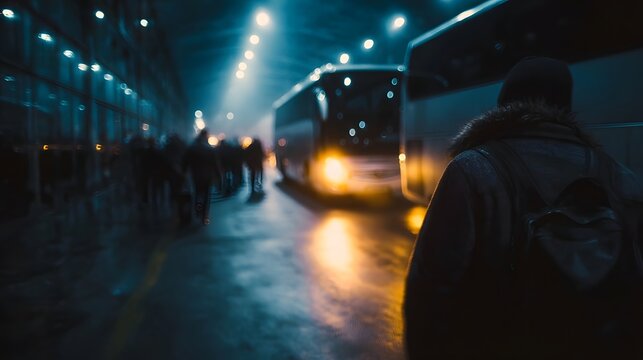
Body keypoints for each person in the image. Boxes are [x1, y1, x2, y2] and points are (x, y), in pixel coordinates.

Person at [403, 57, 643, 359]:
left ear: (503, 105)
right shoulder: (619, 177)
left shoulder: (473, 170)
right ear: (565, 107)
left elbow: (431, 286)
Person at [182, 129, 217, 224]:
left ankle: (198, 209)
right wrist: (218, 177)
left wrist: (183, 172)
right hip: (208, 176)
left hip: (196, 175)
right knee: (206, 195)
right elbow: (215, 164)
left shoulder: (192, 147)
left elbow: (185, 162)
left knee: (197, 193)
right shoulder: (209, 149)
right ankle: (205, 216)